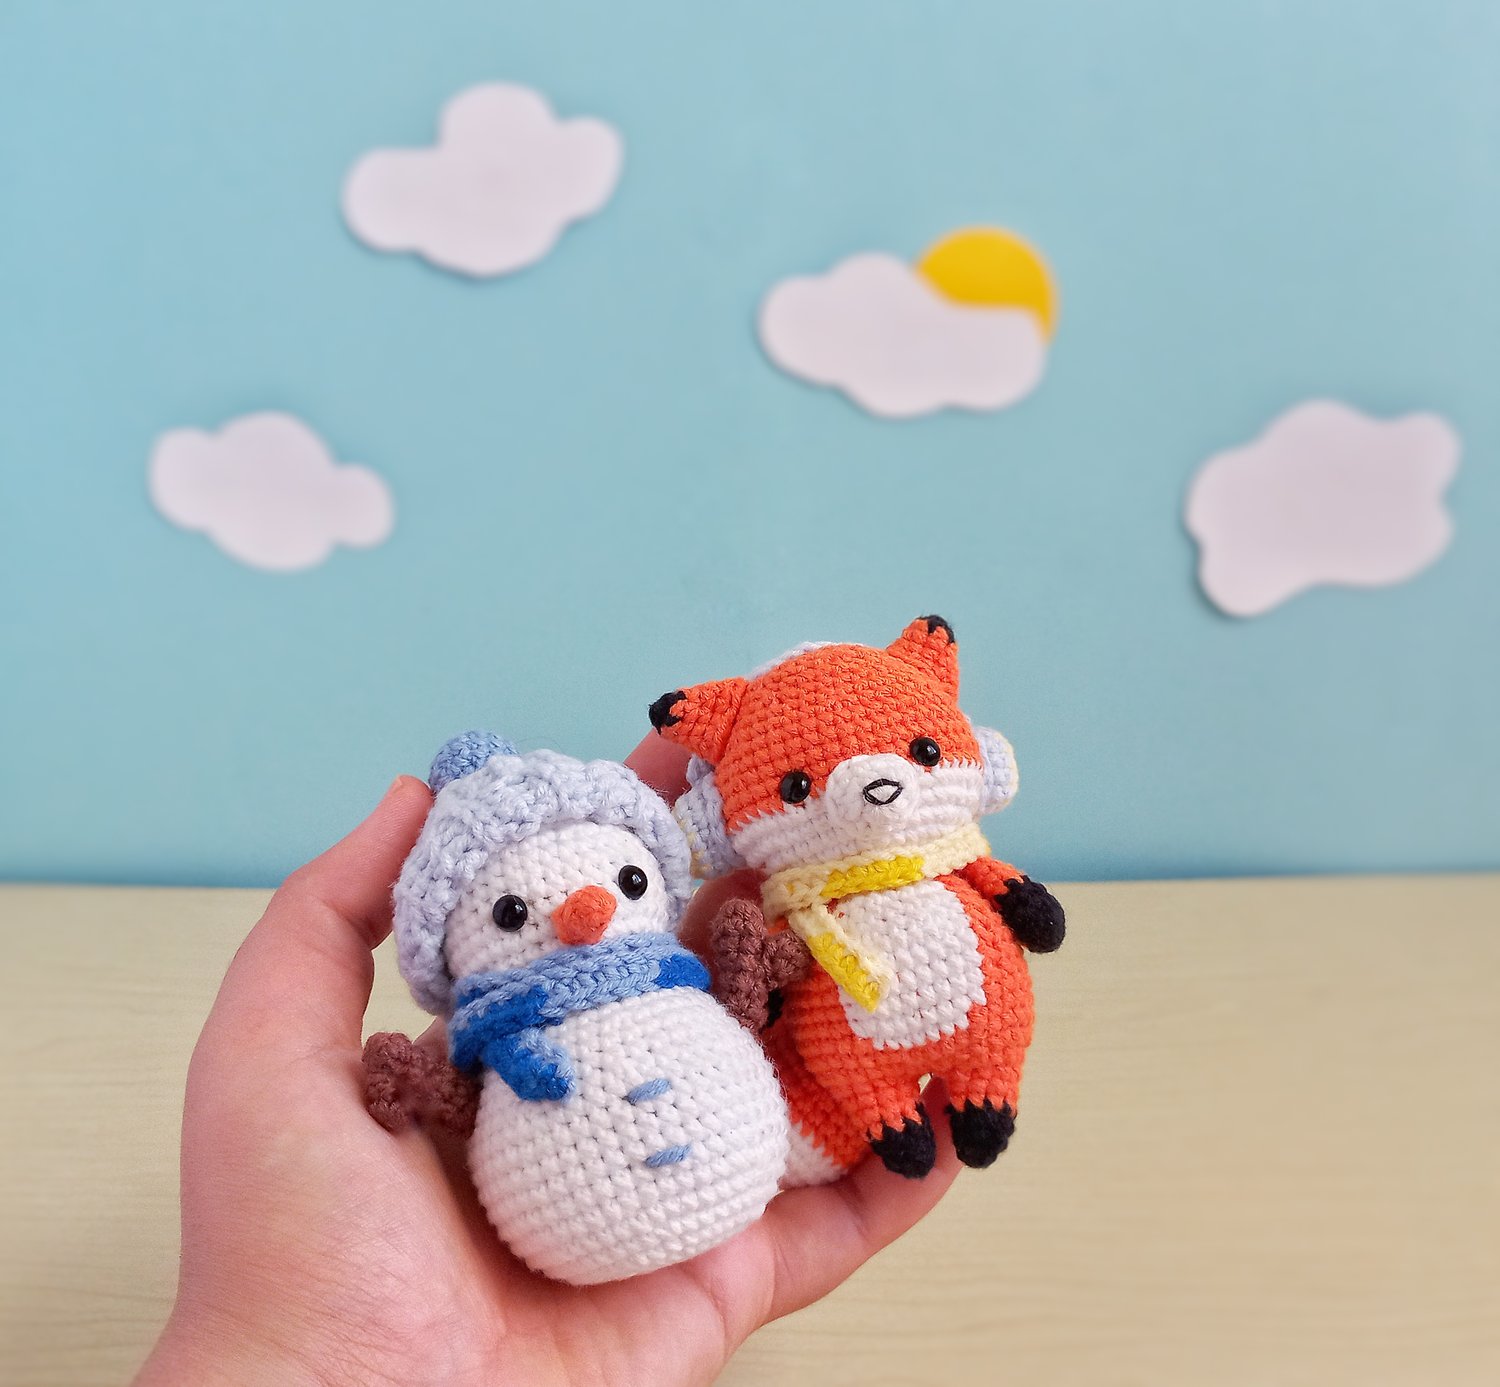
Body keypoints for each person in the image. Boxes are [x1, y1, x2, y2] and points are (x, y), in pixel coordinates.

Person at [135, 735, 959, 1386]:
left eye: (626, 879)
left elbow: (737, 1007)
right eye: (510, 912)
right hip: (563, 1229)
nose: (584, 911)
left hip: (742, 1172)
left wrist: (752, 969)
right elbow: (459, 1103)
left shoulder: (679, 981)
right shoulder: (496, 1051)